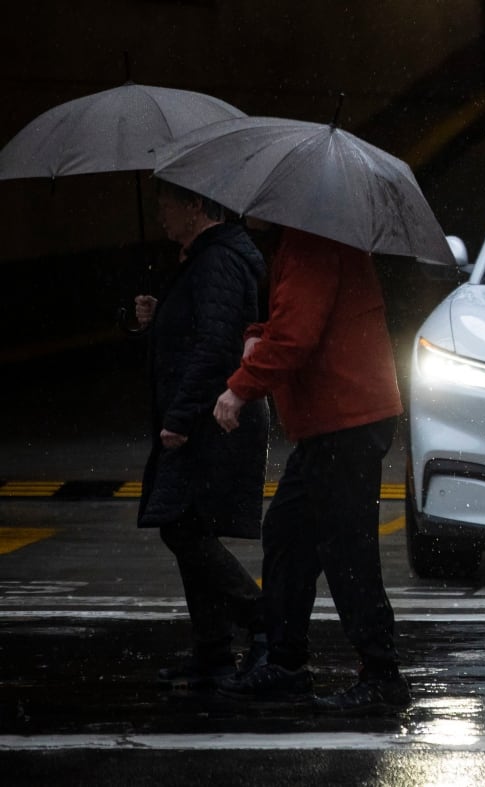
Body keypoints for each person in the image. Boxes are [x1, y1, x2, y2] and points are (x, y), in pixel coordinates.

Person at [211, 226, 408, 713]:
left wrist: (240, 388)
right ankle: (285, 663)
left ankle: (382, 675)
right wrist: (258, 336)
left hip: (344, 416)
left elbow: (297, 336)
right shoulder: (307, 241)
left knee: (346, 548)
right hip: (334, 418)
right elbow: (294, 323)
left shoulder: (311, 243)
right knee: (289, 534)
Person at [135, 180, 269, 690]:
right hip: (205, 413)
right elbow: (196, 332)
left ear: (194, 205)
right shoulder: (204, 258)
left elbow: (214, 347)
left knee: (182, 526)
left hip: (211, 418)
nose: (160, 213)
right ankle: (213, 651)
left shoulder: (216, 261)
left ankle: (261, 620)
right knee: (189, 523)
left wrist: (181, 416)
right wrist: (155, 318)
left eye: (166, 203)